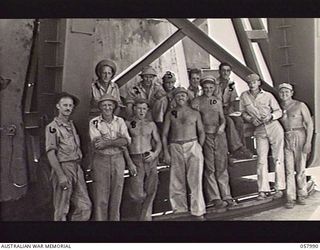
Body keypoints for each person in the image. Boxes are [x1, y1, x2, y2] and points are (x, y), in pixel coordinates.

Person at [45, 92, 92, 221]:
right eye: (65, 105)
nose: (68, 108)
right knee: (62, 209)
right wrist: (60, 175)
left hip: (77, 168)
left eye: (70, 106)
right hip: (64, 168)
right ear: (58, 106)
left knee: (85, 207)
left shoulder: (71, 126)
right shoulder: (52, 128)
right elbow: (51, 153)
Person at [192, 76, 237, 208]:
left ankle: (226, 195)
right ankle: (215, 197)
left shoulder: (217, 101)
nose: (208, 90)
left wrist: (222, 126)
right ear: (202, 88)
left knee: (221, 166)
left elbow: (222, 118)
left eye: (211, 88)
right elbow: (195, 121)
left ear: (214, 88)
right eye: (205, 88)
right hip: (206, 136)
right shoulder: (196, 102)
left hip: (219, 135)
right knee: (210, 168)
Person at [239, 73, 286, 200]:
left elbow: (279, 111)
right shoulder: (244, 96)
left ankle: (279, 188)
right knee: (261, 159)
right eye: (249, 82)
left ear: (259, 83)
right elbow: (242, 112)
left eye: (254, 82)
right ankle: (262, 190)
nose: (251, 84)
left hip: (273, 127)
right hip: (259, 129)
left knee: (278, 158)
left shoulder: (268, 95)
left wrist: (271, 116)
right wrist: (250, 119)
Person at [162, 87, 206, 220]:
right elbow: (164, 134)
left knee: (196, 180)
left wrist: (199, 147)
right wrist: (166, 152)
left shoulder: (195, 113)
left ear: (187, 97)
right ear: (175, 98)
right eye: (178, 95)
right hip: (175, 145)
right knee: (177, 180)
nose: (181, 97)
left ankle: (198, 211)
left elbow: (202, 131)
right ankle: (179, 210)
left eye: (183, 95)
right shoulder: (170, 113)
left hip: (192, 144)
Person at [89, 93, 131, 221]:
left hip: (118, 159)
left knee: (116, 197)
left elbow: (127, 141)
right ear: (100, 107)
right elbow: (98, 144)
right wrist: (117, 140)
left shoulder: (120, 121)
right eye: (104, 105)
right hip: (101, 160)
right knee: (101, 198)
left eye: (110, 105)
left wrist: (107, 142)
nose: (107, 108)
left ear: (114, 107)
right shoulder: (94, 122)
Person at [278, 83, 314, 209]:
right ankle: (290, 197)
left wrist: (308, 142)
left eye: (287, 92)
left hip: (299, 134)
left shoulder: (300, 105)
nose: (284, 94)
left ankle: (302, 193)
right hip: (286, 136)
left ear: (292, 93)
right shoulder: (278, 107)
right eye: (282, 92)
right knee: (288, 169)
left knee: (300, 168)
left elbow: (309, 124)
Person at [125, 99, 162, 221]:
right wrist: (129, 162)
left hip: (149, 158)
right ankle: (140, 213)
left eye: (144, 108)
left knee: (151, 190)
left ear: (147, 110)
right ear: (134, 109)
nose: (141, 111)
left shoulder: (150, 124)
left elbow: (158, 142)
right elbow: (124, 144)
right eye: (139, 108)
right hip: (135, 158)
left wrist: (155, 153)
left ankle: (145, 218)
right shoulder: (127, 123)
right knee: (137, 194)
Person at [216, 62, 252, 159]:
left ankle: (242, 147)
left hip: (227, 110)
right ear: (220, 71)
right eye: (223, 70)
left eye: (228, 71)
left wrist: (229, 109)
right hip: (216, 110)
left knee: (239, 121)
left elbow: (233, 99)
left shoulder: (231, 84)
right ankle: (236, 148)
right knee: (229, 122)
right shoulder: (215, 83)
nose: (226, 73)